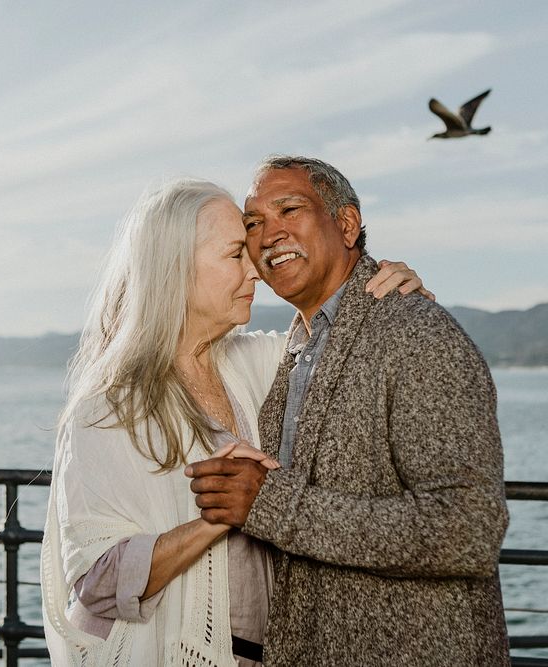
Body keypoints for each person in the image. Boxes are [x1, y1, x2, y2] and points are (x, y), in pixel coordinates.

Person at [40, 177, 429, 666]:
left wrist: (397, 297)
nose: (257, 273)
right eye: (234, 256)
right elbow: (96, 583)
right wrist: (216, 518)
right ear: (175, 269)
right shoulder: (108, 408)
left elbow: (343, 341)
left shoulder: (261, 362)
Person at [186, 156, 511, 666]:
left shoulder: (417, 335)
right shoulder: (288, 351)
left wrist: (271, 506)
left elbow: (467, 529)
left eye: (289, 209)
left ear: (346, 224)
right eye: (253, 224)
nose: (269, 234)